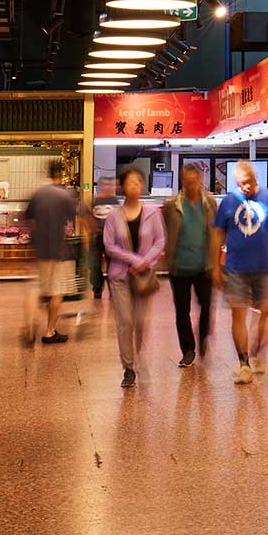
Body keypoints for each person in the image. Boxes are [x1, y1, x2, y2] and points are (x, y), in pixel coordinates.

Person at [211, 161, 268, 385]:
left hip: (265, 268)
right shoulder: (228, 202)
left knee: (266, 311)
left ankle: (256, 350)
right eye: (241, 184)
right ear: (235, 183)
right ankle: (244, 364)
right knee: (238, 314)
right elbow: (218, 234)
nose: (246, 187)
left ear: (256, 178)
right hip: (236, 269)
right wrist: (215, 265)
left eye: (250, 182)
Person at [104, 166, 166, 388]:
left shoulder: (152, 213)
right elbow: (109, 245)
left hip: (143, 277)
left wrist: (144, 262)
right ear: (123, 186)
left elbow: (160, 241)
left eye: (138, 182)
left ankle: (139, 355)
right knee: (125, 322)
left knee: (140, 321)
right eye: (130, 182)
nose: (135, 186)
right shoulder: (114, 215)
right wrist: (133, 261)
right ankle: (128, 367)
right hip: (120, 277)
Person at [163, 163, 216, 368]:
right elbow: (166, 231)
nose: (191, 184)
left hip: (204, 266)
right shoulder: (172, 205)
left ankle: (202, 336)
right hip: (180, 267)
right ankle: (188, 349)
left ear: (200, 180)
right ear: (182, 181)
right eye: (187, 181)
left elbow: (216, 232)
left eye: (194, 181)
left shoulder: (210, 203)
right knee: (182, 311)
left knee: (206, 306)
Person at [24, 161, 78, 345]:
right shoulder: (64, 195)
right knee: (56, 292)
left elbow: (28, 219)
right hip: (58, 251)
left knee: (38, 288)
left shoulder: (38, 193)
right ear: (61, 175)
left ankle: (30, 324)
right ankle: (49, 331)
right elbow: (72, 222)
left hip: (40, 250)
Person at [89, 176, 116, 299]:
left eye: (110, 185)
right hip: (96, 239)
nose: (108, 187)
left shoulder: (114, 202)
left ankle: (113, 289)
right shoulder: (94, 201)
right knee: (94, 265)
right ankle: (97, 288)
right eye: (105, 185)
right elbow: (87, 216)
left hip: (112, 240)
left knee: (113, 265)